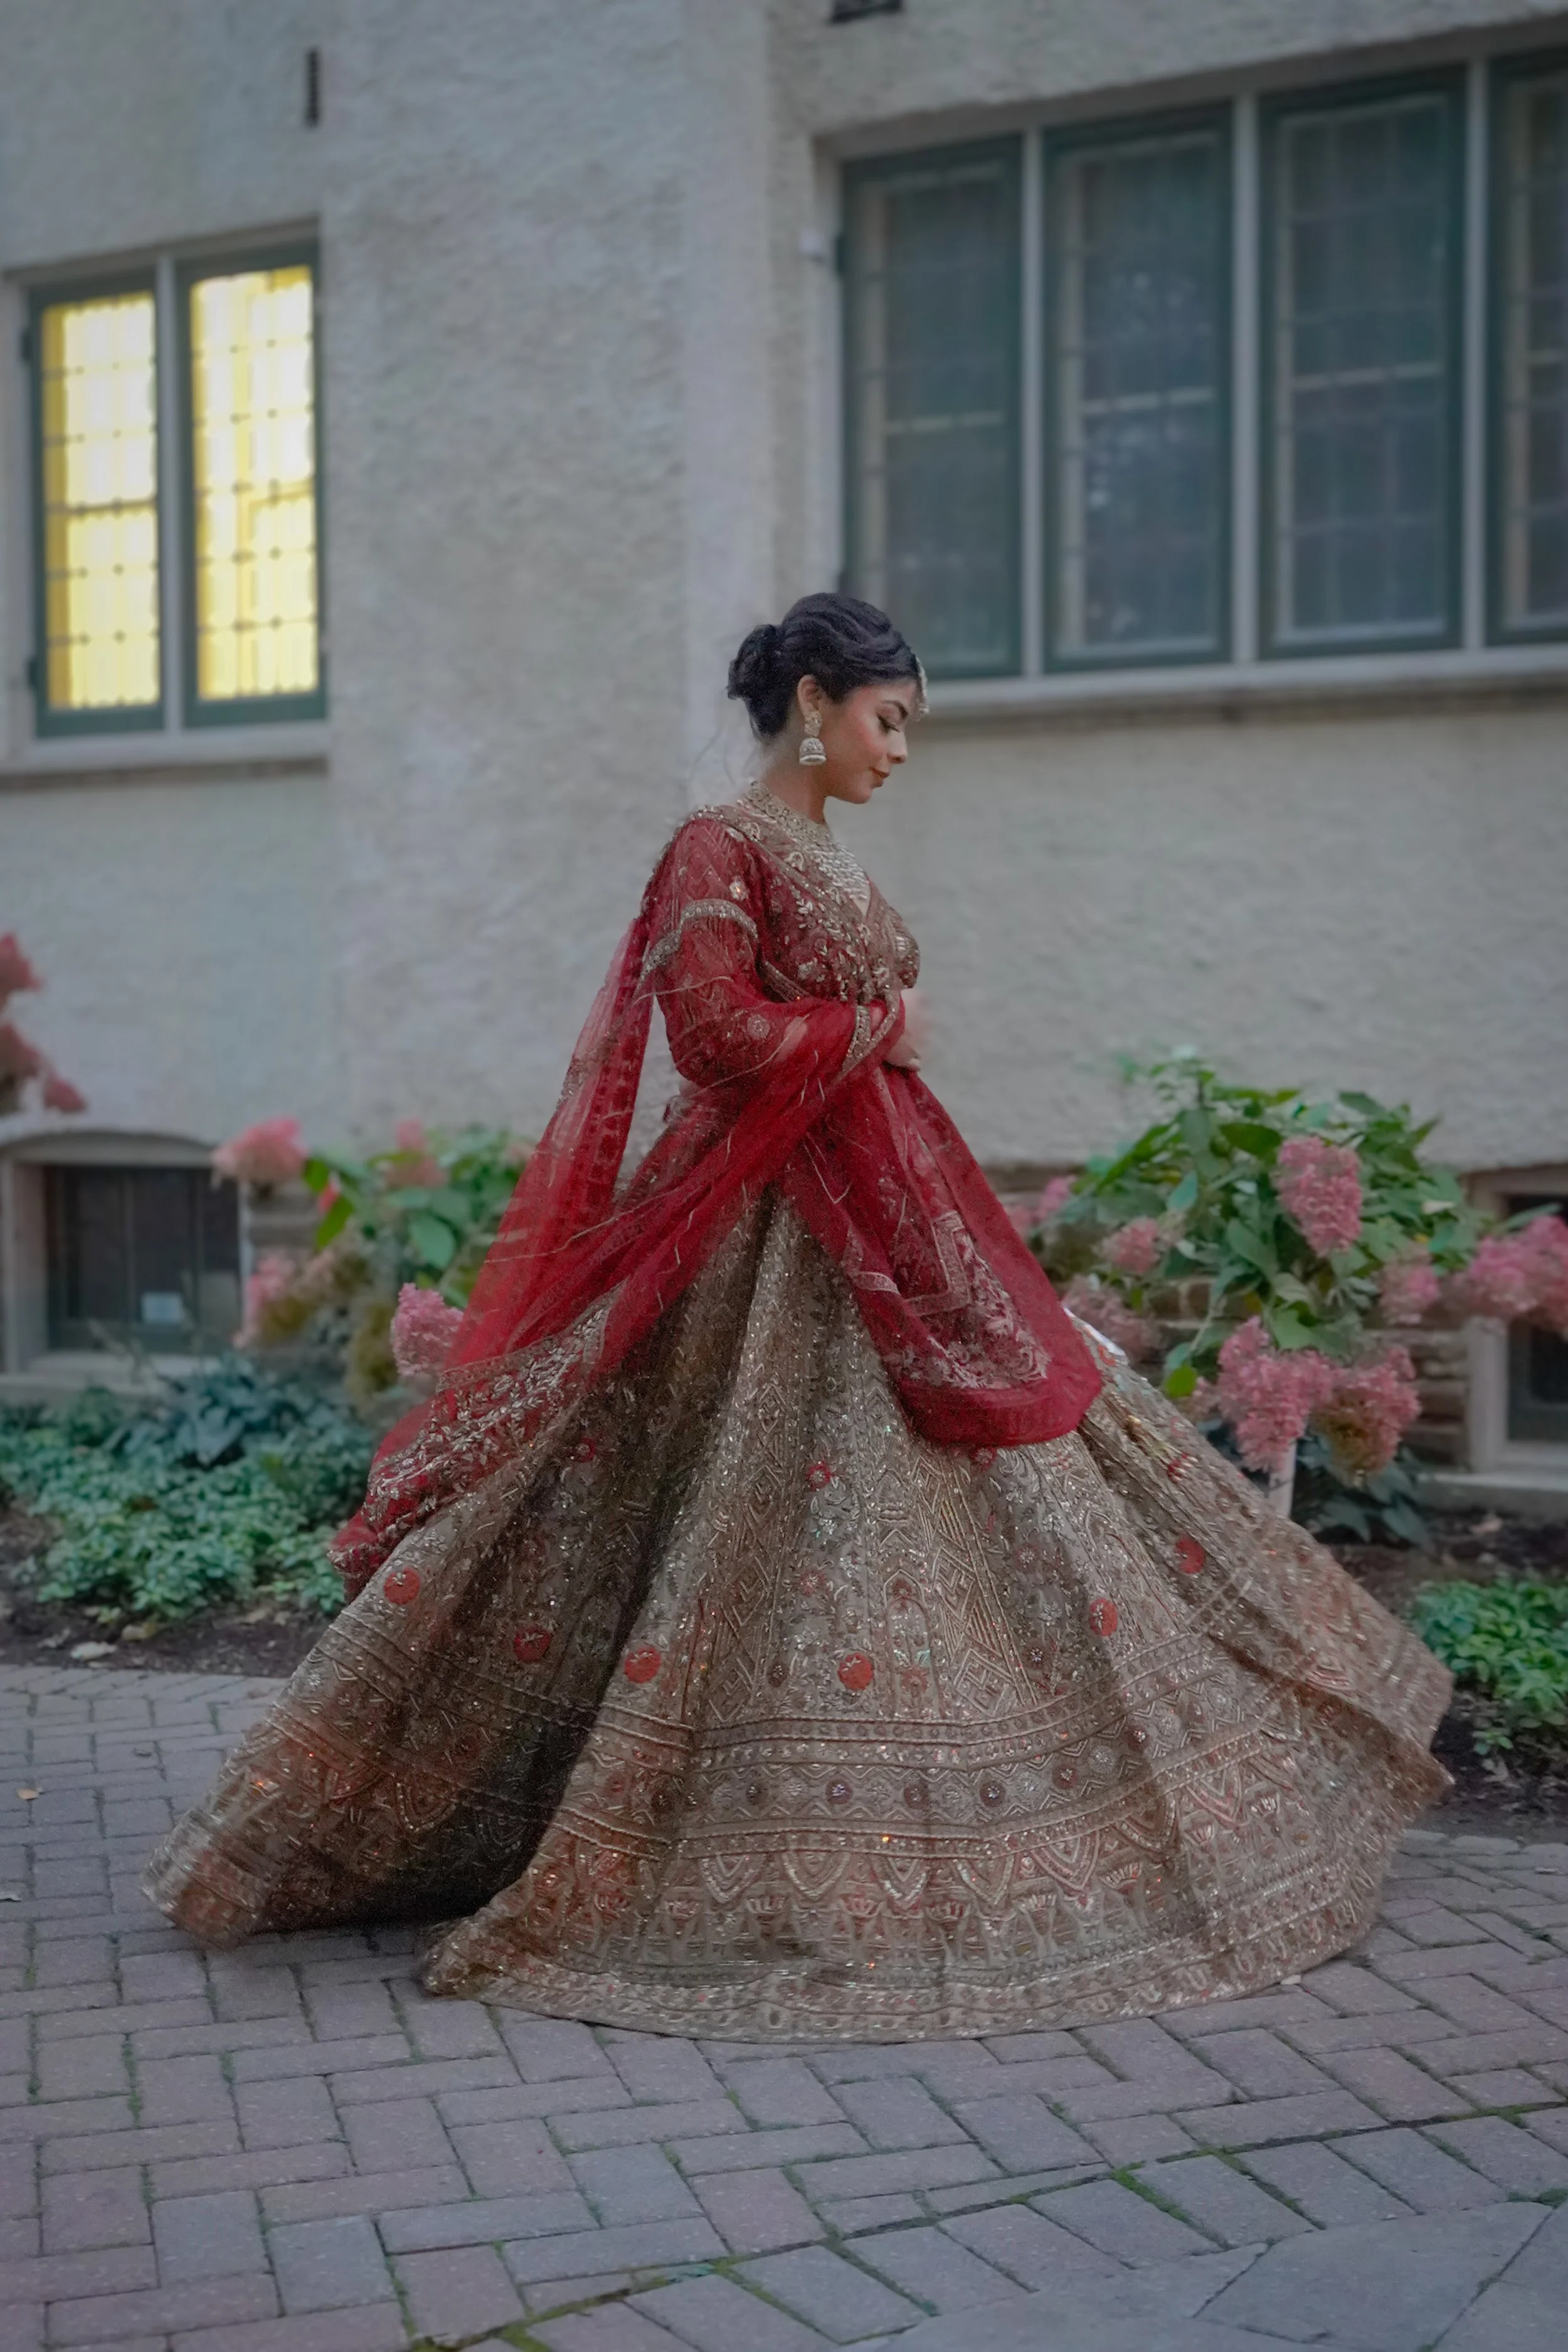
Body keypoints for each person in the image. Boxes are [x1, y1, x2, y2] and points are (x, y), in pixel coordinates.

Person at [145, 592, 1449, 2042]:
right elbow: (710, 1036)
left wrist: (869, 1047)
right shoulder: (719, 844)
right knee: (700, 1502)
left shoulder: (816, 845)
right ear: (816, 701)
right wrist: (876, 1028)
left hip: (892, 1210)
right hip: (764, 1225)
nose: (900, 750)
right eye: (888, 720)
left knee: (1013, 1471)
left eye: (910, 728)